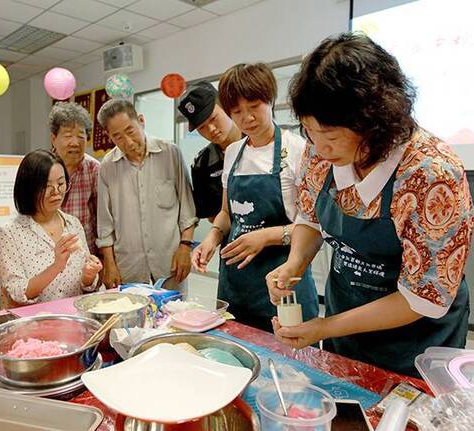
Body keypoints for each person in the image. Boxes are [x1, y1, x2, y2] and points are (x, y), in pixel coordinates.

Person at [267, 33, 473, 377]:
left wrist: (323, 327)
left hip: (414, 343)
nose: (318, 148)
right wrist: (295, 263)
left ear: (374, 122)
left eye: (330, 136)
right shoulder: (320, 155)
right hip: (344, 323)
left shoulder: (430, 175)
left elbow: (421, 297)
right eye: (308, 132)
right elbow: (311, 217)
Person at [191, 63, 318, 332]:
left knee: (290, 365)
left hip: (284, 280)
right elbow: (227, 213)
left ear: (270, 100)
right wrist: (212, 237)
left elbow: (315, 226)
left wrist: (265, 236)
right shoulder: (234, 152)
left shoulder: (300, 150)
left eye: (254, 106)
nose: (247, 118)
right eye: (237, 112)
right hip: (236, 285)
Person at [96, 99, 197, 291]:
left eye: (130, 131)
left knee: (174, 316)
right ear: (110, 137)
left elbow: (187, 208)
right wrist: (109, 264)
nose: (127, 142)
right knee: (133, 319)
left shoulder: (170, 153)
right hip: (129, 266)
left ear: (141, 121)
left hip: (171, 263)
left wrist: (185, 247)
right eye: (117, 137)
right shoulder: (107, 167)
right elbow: (104, 224)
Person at [0, 150, 102, 309]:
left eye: (60, 183)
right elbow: (16, 293)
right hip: (31, 324)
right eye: (46, 186)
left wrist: (89, 275)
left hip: (72, 317)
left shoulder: (73, 224)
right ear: (28, 188)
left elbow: (84, 286)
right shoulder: (9, 233)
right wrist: (57, 266)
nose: (56, 192)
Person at [178, 81, 242, 221]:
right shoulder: (203, 164)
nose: (211, 129)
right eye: (202, 127)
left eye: (213, 118)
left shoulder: (260, 142)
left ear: (225, 107)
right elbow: (212, 217)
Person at [49, 102, 100, 255]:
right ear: (53, 138)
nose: (75, 143)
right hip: (47, 255)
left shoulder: (94, 170)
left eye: (80, 136)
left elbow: (102, 220)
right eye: (68, 136)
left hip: (84, 255)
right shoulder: (41, 167)